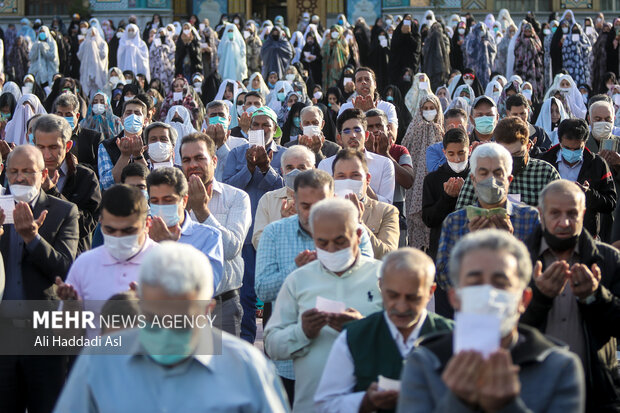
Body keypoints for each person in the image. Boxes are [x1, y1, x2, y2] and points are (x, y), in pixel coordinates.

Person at [53, 242, 290, 412]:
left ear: (207, 310)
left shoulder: (246, 367)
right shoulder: (99, 361)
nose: (166, 328)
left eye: (181, 320)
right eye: (154, 317)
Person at [397, 229, 585, 412]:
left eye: (500, 283)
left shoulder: (558, 366)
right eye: (475, 282)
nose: (488, 293)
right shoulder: (425, 362)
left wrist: (508, 406)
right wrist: (458, 403)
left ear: (524, 300)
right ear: (454, 298)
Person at [264, 197, 383, 412]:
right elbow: (272, 345)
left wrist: (362, 329)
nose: (331, 250)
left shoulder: (381, 277)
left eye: (340, 242)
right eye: (322, 243)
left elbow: (406, 341)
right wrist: (302, 332)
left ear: (357, 235)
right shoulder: (298, 280)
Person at [521, 180, 620, 411]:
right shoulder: (517, 262)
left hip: (594, 396)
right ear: (541, 214)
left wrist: (595, 297)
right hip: (531, 396)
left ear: (583, 213)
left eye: (572, 213)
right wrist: (540, 298)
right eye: (555, 213)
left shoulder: (609, 261)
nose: (564, 222)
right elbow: (501, 332)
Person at [315, 248, 454, 413]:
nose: (401, 307)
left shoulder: (452, 336)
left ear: (430, 292)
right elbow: (325, 405)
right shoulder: (355, 337)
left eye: (412, 297)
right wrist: (366, 402)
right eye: (393, 296)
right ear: (380, 286)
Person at [0, 145, 79, 413]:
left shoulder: (63, 211)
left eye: (27, 172)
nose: (19, 178)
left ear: (44, 173)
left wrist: (32, 239)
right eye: (13, 172)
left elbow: (66, 270)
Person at [437, 143, 540, 290]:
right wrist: (471, 249)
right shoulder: (456, 221)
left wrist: (511, 246)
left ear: (509, 180)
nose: (491, 180)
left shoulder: (529, 218)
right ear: (473, 180)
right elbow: (443, 279)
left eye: (498, 173)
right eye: (484, 173)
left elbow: (536, 276)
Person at [223, 105, 286, 342]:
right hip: (246, 235)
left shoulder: (283, 155)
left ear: (275, 129)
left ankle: (274, 345)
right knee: (246, 294)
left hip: (274, 236)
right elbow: (228, 188)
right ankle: (247, 344)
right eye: (255, 125)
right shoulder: (236, 154)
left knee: (274, 294)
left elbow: (286, 189)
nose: (260, 129)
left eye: (266, 126)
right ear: (248, 129)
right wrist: (249, 168)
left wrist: (266, 169)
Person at [180, 132, 251, 337]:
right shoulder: (173, 201)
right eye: (186, 160)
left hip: (222, 304)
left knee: (223, 368)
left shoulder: (237, 197)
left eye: (199, 158)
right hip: (179, 305)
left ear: (214, 160)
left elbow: (231, 249)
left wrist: (202, 211)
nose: (193, 164)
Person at [146, 167, 224, 292]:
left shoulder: (208, 237)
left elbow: (206, 288)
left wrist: (168, 247)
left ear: (184, 201)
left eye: (168, 200)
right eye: (155, 201)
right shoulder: (143, 237)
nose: (160, 206)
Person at [456, 117, 561, 209]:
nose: (510, 160)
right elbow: (462, 212)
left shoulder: (545, 173)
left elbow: (559, 212)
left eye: (517, 153)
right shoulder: (482, 171)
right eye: (505, 154)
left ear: (528, 147)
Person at [33, 114, 101, 253]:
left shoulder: (85, 177)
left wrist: (52, 193)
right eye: (41, 147)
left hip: (73, 261)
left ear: (68, 145)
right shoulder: (25, 176)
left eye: (53, 147)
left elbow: (87, 225)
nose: (47, 155)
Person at [539, 118, 616, 240]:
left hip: (586, 237)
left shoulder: (597, 164)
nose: (572, 152)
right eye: (567, 148)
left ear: (585, 142)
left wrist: (588, 194)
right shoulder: (544, 162)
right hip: (550, 234)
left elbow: (610, 203)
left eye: (577, 149)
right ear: (559, 142)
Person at [333, 149, 399, 259]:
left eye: (355, 175)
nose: (348, 181)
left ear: (367, 179)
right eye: (341, 176)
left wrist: (358, 223)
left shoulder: (386, 212)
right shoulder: (321, 211)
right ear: (333, 179)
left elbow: (388, 256)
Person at [318, 108, 395, 204]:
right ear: (339, 138)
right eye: (346, 131)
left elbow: (387, 204)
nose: (353, 135)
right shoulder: (325, 165)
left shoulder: (384, 164)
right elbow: (322, 203)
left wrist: (361, 181)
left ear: (366, 135)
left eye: (357, 130)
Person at [252, 145, 315, 249]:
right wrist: (283, 224)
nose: (295, 172)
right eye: (290, 168)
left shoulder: (324, 200)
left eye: (301, 168)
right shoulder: (268, 199)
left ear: (313, 169)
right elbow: (258, 241)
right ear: (282, 171)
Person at [422, 128, 470, 261]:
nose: (457, 159)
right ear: (444, 153)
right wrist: (447, 197)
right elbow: (429, 219)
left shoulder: (475, 176)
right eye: (451, 154)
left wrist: (464, 195)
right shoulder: (432, 179)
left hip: (471, 246)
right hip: (442, 246)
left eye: (461, 153)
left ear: (469, 150)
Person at [365, 108, 413, 221]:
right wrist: (369, 154)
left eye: (379, 125)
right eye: (370, 127)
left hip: (396, 212)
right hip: (366, 212)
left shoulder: (400, 150)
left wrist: (385, 154)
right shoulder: (359, 153)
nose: (375, 130)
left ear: (388, 128)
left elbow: (408, 181)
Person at [97, 98, 149, 189]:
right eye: (128, 113)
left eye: (137, 113)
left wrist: (138, 156)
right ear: (121, 120)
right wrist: (124, 156)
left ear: (145, 121)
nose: (133, 116)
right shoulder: (107, 146)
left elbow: (154, 183)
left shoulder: (152, 144)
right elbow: (107, 184)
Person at [338, 68, 398, 137]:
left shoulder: (388, 107)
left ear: (375, 84)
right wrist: (357, 115)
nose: (363, 82)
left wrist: (374, 112)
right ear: (355, 86)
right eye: (359, 80)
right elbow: (339, 139)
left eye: (367, 79)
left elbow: (392, 138)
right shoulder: (345, 108)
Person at [54, 93, 105, 174]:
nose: (63, 118)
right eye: (60, 114)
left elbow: (101, 167)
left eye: (68, 115)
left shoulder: (94, 138)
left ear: (77, 116)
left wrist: (78, 166)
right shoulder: (50, 137)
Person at [204, 100, 247, 181]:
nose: (218, 119)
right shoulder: (200, 145)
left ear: (229, 120)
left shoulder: (241, 144)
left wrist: (221, 145)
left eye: (221, 115)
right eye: (213, 116)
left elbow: (239, 172)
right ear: (206, 121)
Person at [426, 108, 469, 173]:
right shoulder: (433, 149)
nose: (455, 132)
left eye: (459, 128)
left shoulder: (473, 148)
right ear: (444, 128)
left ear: (466, 128)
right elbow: (434, 172)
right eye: (452, 128)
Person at [77, 24, 108, 99]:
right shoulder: (85, 44)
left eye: (94, 34)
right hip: (86, 70)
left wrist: (95, 49)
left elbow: (103, 55)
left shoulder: (102, 43)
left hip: (99, 70)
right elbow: (79, 55)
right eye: (90, 35)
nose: (92, 36)